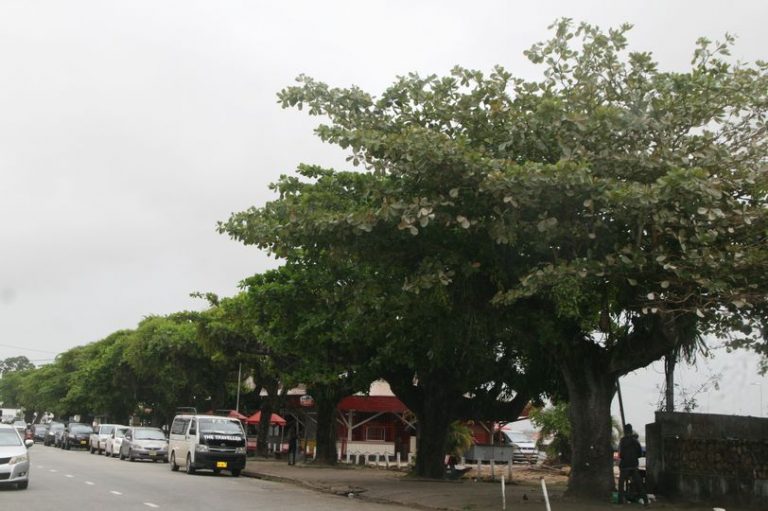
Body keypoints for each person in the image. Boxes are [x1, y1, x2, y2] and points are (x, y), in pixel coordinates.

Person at [618, 424, 648, 506]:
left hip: (624, 466)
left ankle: (620, 501)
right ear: (631, 430)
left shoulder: (622, 441)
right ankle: (646, 501)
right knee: (639, 484)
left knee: (621, 484)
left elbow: (621, 455)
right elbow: (640, 454)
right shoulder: (636, 441)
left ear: (625, 431)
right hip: (634, 465)